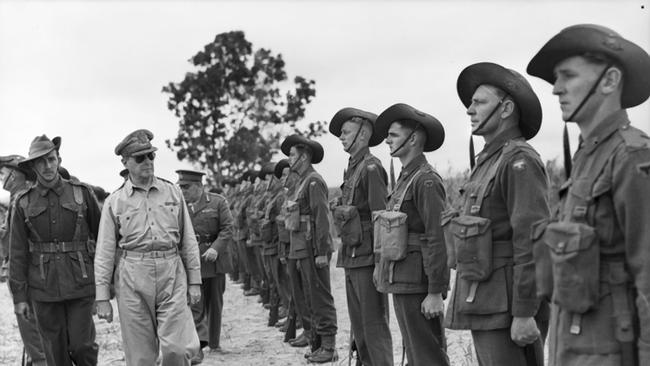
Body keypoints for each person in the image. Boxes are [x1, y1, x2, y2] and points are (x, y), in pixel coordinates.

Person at [527, 24, 650, 366]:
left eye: (567, 76)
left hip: (613, 349)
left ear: (609, 81)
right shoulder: (587, 157)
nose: (556, 89)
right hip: (577, 343)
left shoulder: (631, 157)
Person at [444, 63, 550, 366]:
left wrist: (525, 312)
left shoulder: (519, 161)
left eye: (479, 102)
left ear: (505, 109)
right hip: (487, 298)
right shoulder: (489, 160)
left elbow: (531, 240)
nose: (469, 110)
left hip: (507, 306)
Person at [94, 129, 202, 365]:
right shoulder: (115, 202)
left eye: (151, 156)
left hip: (171, 272)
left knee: (176, 349)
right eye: (140, 158)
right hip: (132, 275)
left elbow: (188, 240)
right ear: (125, 162)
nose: (148, 162)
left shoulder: (173, 192)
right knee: (141, 356)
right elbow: (104, 251)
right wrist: (102, 296)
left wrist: (195, 281)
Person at [9, 135, 101, 366]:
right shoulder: (23, 203)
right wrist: (19, 297)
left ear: (59, 159)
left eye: (51, 159)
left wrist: (106, 285)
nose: (48, 166)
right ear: (33, 166)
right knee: (54, 354)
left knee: (83, 347)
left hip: (80, 283)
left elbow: (103, 240)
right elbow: (17, 253)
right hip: (43, 288)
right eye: (41, 162)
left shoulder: (82, 193)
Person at [373, 103, 449, 366]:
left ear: (413, 138)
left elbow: (438, 237)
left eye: (393, 135)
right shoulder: (407, 177)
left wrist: (435, 291)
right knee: (416, 353)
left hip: (419, 283)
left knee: (428, 354)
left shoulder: (426, 180)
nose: (387, 140)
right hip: (404, 278)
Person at [329, 107, 393, 366]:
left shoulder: (370, 168)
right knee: (360, 326)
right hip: (352, 255)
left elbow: (381, 217)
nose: (341, 138)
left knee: (373, 325)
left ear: (363, 135)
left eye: (346, 133)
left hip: (368, 258)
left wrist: (381, 263)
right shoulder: (353, 168)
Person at [281, 134, 338, 363]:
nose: (289, 160)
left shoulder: (314, 181)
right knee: (304, 297)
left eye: (292, 155)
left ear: (304, 156)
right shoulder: (300, 182)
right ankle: (315, 342)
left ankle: (328, 346)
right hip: (298, 248)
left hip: (312, 249)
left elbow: (322, 218)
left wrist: (322, 252)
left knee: (319, 296)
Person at [176, 169, 234, 363]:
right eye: (180, 187)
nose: (182, 191)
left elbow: (227, 228)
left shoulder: (217, 202)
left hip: (214, 260)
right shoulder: (177, 205)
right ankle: (198, 347)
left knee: (215, 303)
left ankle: (215, 342)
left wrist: (216, 248)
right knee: (195, 304)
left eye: (186, 187)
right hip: (192, 261)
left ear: (199, 186)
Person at [0, 155, 47, 366]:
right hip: (24, 273)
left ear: (16, 174)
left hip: (26, 275)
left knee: (34, 335)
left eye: (3, 174)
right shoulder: (19, 199)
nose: (2, 179)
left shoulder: (22, 200)